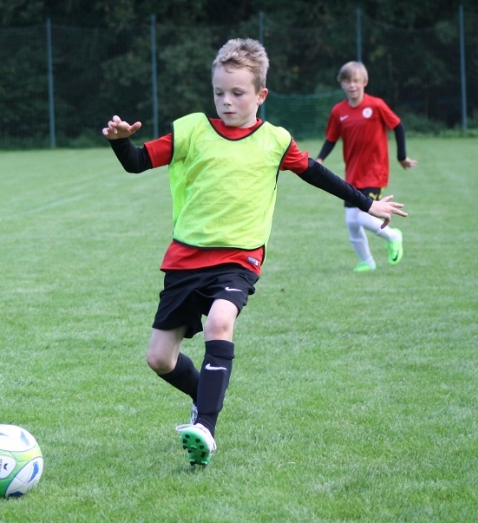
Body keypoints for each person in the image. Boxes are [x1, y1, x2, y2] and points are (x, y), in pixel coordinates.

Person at [102, 38, 407, 467]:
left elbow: (317, 174)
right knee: (160, 359)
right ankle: (205, 395)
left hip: (238, 258)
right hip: (185, 259)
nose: (227, 101)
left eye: (238, 93)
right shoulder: (192, 131)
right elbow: (136, 161)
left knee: (220, 321)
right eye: (219, 92)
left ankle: (206, 428)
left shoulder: (275, 141)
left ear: (261, 95)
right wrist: (120, 142)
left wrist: (367, 204)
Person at [316, 61, 417, 272]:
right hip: (353, 173)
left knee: (363, 215)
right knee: (351, 221)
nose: (352, 85)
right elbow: (331, 138)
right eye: (347, 81)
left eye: (356, 80)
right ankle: (367, 262)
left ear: (364, 82)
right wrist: (320, 159)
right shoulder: (338, 111)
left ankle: (393, 236)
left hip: (375, 172)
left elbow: (398, 126)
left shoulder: (376, 105)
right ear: (341, 84)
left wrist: (401, 157)